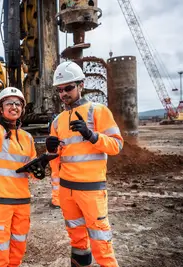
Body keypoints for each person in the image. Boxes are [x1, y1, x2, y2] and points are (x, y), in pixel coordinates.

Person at [46, 61, 124, 267]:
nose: (64, 93)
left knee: (101, 243)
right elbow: (56, 160)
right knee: (77, 240)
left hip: (91, 190)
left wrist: (91, 135)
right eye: (60, 90)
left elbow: (116, 145)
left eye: (69, 88)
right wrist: (51, 151)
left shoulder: (98, 111)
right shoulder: (56, 121)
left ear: (81, 85)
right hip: (67, 191)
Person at [0, 86, 52, 267]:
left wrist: (40, 169)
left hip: (21, 201)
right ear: (0, 108)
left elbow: (32, 173)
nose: (14, 107)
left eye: (18, 103)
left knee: (19, 245)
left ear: (22, 108)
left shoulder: (27, 138)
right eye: (9, 103)